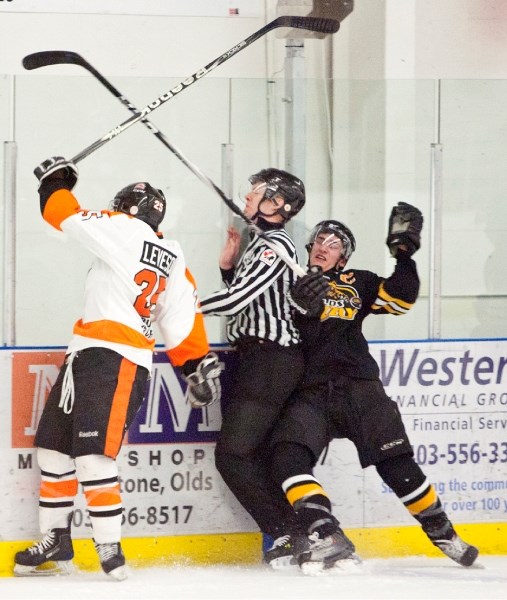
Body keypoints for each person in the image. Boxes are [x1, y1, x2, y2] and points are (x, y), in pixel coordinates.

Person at [14, 156, 223, 580]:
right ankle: (56, 539)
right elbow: (181, 323)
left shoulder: (124, 231)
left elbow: (61, 214)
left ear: (129, 209)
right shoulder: (173, 258)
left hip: (116, 361)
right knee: (54, 448)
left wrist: (55, 182)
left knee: (92, 455)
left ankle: (109, 545)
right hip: (88, 356)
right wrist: (194, 367)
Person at [268, 204, 479, 574]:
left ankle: (443, 533)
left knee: (397, 465)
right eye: (319, 239)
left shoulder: (359, 282)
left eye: (334, 243)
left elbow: (401, 300)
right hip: (310, 390)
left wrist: (404, 256)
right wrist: (299, 305)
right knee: (286, 456)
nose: (324, 246)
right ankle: (326, 533)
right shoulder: (287, 280)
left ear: (343, 256)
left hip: (359, 387)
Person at [199, 168, 327, 546]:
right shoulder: (262, 243)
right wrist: (227, 269)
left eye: (257, 191)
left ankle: (295, 534)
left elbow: (237, 301)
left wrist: (176, 307)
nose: (249, 195)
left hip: (272, 361)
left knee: (233, 456)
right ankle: (299, 534)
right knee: (250, 456)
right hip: (259, 361)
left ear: (276, 203)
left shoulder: (275, 245)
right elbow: (249, 301)